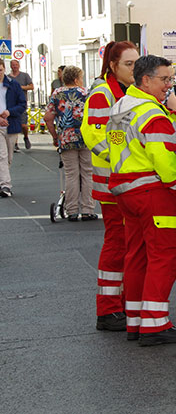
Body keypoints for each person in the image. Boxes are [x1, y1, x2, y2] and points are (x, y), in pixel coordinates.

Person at [106, 54, 176, 346]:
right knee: (164, 257)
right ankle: (155, 324)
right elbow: (167, 160)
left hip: (127, 192)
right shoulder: (152, 114)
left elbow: (116, 147)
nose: (169, 85)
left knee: (136, 256)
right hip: (155, 192)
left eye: (170, 79)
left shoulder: (121, 107)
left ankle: (136, 321)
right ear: (146, 80)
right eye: (164, 79)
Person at [80, 40, 138, 333]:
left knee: (127, 243)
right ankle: (108, 308)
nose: (134, 69)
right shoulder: (103, 93)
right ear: (113, 65)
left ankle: (122, 303)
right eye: (128, 64)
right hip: (113, 183)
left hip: (124, 181)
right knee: (117, 243)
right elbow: (99, 135)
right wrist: (125, 153)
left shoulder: (125, 92)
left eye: (136, 63)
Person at [44, 66, 95, 221]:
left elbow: (48, 118)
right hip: (86, 137)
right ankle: (87, 209)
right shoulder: (86, 93)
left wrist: (55, 136)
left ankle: (71, 210)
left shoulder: (57, 93)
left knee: (71, 174)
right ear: (76, 79)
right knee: (87, 173)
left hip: (66, 138)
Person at [0, 59, 26, 198]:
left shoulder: (13, 85)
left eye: (0, 70)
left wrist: (9, 112)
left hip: (11, 125)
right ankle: (6, 185)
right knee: (2, 156)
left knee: (9, 158)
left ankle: (2, 181)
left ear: (4, 69)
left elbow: (22, 104)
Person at [8, 59, 33, 151]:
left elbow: (31, 86)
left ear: (19, 65)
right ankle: (15, 144)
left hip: (22, 103)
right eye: (13, 65)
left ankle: (26, 137)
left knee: (23, 125)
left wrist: (20, 87)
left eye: (16, 65)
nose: (15, 66)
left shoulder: (24, 75)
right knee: (14, 124)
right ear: (10, 66)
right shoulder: (8, 77)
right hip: (11, 104)